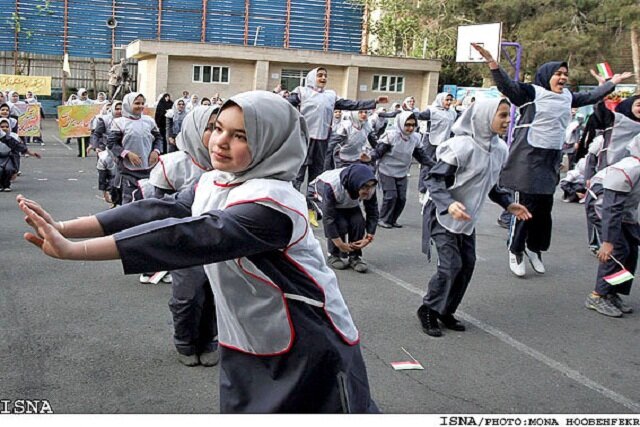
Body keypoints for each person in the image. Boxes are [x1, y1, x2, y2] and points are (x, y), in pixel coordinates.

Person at [16, 90, 379, 413]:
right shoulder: (216, 180)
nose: (220, 141)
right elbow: (159, 209)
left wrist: (74, 251)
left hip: (307, 344)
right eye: (218, 128)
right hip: (249, 336)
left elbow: (189, 237)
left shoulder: (274, 203)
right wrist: (65, 227)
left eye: (241, 136)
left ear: (272, 142)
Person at [471, 43, 632, 278]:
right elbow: (506, 85)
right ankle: (515, 249)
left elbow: (591, 96)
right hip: (527, 159)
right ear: (546, 75)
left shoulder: (567, 97)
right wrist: (492, 63)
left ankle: (534, 247)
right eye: (558, 73)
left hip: (550, 159)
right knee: (525, 208)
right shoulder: (531, 93)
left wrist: (611, 83)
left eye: (565, 74)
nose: (563, 77)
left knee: (544, 210)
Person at [417, 99, 531, 337]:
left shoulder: (499, 149)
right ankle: (428, 309)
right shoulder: (461, 147)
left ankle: (446, 310)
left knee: (467, 265)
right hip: (442, 213)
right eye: (502, 115)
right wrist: (449, 204)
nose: (508, 120)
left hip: (467, 218)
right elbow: (433, 180)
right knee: (451, 265)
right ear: (483, 117)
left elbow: (489, 184)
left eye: (508, 115)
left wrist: (508, 203)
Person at [137, 106, 220, 367]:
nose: (218, 135)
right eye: (210, 128)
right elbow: (156, 208)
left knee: (215, 293)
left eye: (221, 128)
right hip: (184, 241)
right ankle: (185, 341)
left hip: (220, 241)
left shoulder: (231, 161)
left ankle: (210, 340)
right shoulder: (173, 165)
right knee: (188, 296)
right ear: (195, 130)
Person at [287, 67, 387, 214]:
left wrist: (373, 102)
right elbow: (285, 103)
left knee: (316, 175)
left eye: (325, 76)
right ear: (312, 77)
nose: (323, 78)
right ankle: (292, 206)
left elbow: (352, 105)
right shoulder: (302, 92)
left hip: (321, 140)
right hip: (303, 139)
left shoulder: (330, 96)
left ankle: (310, 208)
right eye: (319, 75)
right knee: (298, 175)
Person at [585, 135, 640, 317]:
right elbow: (610, 207)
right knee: (617, 249)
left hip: (624, 209)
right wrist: (608, 241)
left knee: (631, 249)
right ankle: (597, 295)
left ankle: (611, 291)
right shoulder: (628, 169)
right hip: (602, 205)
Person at [369, 111, 432, 228]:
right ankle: (383, 219)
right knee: (391, 195)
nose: (410, 128)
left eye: (413, 125)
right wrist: (369, 158)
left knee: (401, 198)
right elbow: (378, 151)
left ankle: (392, 220)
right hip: (386, 169)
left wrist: (435, 165)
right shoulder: (391, 136)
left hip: (402, 171)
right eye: (407, 125)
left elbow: (422, 156)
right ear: (401, 124)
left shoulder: (415, 138)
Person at [311, 164, 379, 273]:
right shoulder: (332, 185)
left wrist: (369, 237)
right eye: (364, 187)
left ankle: (355, 256)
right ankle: (334, 254)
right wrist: (339, 244)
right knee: (340, 223)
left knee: (358, 222)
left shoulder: (370, 187)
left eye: (370, 186)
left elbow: (372, 211)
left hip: (346, 200)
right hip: (323, 195)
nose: (368, 190)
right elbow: (328, 218)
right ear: (356, 184)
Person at [106, 92, 162, 205]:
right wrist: (127, 154)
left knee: (147, 200)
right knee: (129, 202)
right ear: (128, 104)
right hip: (128, 171)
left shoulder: (149, 121)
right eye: (136, 103)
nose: (140, 106)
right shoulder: (119, 123)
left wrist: (156, 151)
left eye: (142, 103)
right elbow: (111, 143)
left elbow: (158, 138)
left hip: (148, 168)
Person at [89, 101, 121, 205]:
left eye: (121, 109)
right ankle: (109, 194)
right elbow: (96, 134)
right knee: (107, 172)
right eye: (117, 109)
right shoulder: (105, 120)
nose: (119, 111)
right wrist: (96, 146)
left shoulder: (128, 120)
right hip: (105, 148)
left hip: (123, 150)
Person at [0, 117, 41, 191]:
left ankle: (6, 185)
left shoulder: (10, 137)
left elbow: (17, 145)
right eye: (2, 127)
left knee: (9, 169)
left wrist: (29, 152)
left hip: (8, 156)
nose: (4, 128)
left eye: (6, 126)